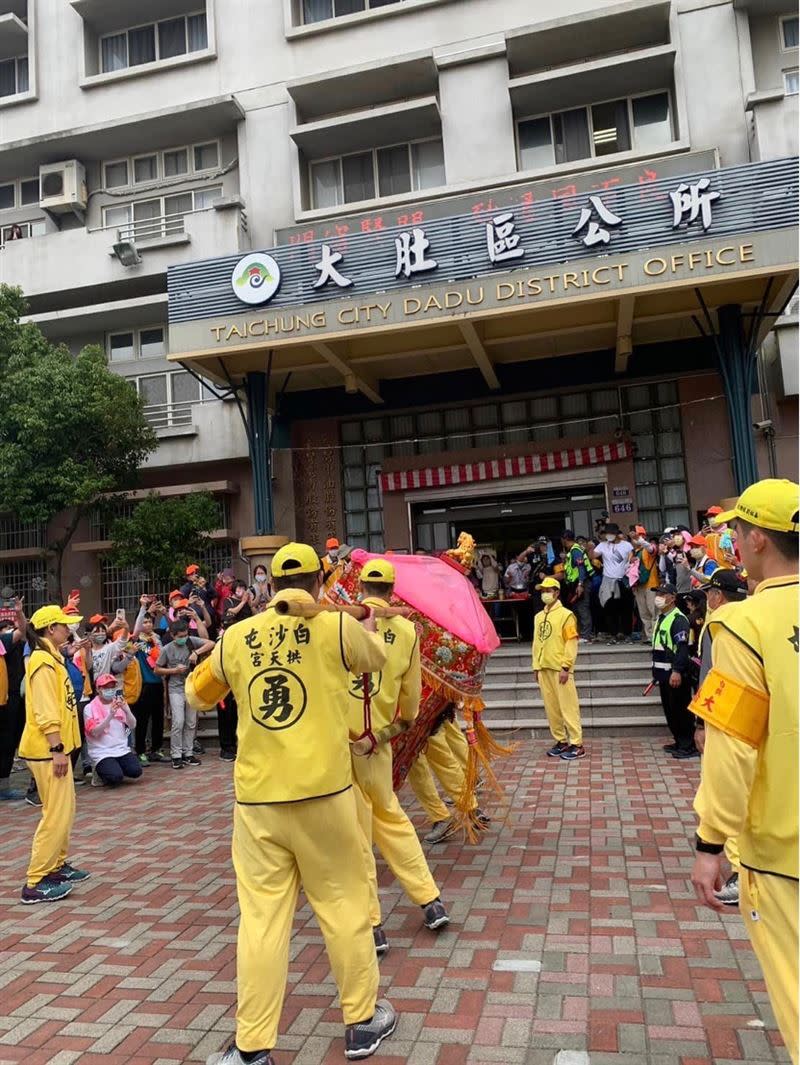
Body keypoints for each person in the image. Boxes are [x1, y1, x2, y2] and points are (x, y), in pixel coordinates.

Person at [186, 541, 396, 1064]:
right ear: (320, 582)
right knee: (344, 905)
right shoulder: (337, 626)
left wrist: (221, 657)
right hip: (326, 794)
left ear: (271, 586)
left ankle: (253, 1047)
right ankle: (362, 1023)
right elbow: (376, 658)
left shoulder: (237, 636)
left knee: (260, 921)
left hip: (258, 804)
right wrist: (348, 615)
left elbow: (196, 695)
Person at [691, 480, 798, 1064]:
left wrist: (711, 843)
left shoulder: (740, 625)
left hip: (782, 854)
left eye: (735, 531)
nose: (730, 540)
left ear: (758, 540)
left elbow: (731, 749)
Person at [350, 559, 449, 953]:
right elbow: (409, 709)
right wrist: (385, 733)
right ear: (393, 592)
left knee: (355, 832)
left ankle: (372, 924)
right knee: (390, 818)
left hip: (337, 748)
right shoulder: (408, 630)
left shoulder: (337, 623)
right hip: (377, 741)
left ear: (359, 586)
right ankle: (430, 899)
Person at [18, 606, 90, 904]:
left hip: (56, 749)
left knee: (65, 811)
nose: (68, 630)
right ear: (50, 630)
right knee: (55, 815)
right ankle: (36, 880)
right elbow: (45, 709)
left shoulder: (52, 658)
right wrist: (57, 748)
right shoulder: (42, 662)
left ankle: (56, 865)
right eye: (64, 625)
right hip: (48, 751)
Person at [692, 568, 749, 908]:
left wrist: (701, 721)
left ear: (718, 595)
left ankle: (740, 869)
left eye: (711, 592)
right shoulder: (744, 617)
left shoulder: (724, 623)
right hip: (736, 714)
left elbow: (714, 675)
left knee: (728, 784)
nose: (708, 598)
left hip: (725, 716)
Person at [532, 576, 584, 760]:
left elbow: (571, 643)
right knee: (552, 707)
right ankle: (561, 740)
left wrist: (565, 666)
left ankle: (576, 743)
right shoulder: (538, 617)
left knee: (568, 706)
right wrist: (535, 666)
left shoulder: (566, 615)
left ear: (556, 592)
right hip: (544, 667)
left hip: (559, 669)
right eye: (543, 591)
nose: (545, 594)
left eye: (548, 590)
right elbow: (537, 643)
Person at [154, 618, 214, 770]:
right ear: (173, 636)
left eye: (185, 635)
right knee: (178, 721)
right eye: (180, 636)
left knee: (191, 722)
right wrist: (174, 670)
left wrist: (196, 652)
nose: (183, 638)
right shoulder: (167, 649)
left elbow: (211, 643)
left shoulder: (191, 642)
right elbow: (157, 669)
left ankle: (188, 753)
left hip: (192, 687)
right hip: (176, 688)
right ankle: (176, 755)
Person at [651, 582, 697, 759]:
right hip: (663, 674)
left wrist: (677, 670)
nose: (659, 597)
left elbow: (682, 648)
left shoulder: (678, 619)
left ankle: (688, 744)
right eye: (658, 593)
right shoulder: (662, 617)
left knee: (680, 710)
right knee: (670, 711)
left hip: (674, 674)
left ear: (672, 597)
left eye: (663, 593)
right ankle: (679, 740)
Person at [84, 673, 142, 787]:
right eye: (106, 687)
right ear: (98, 689)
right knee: (115, 778)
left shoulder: (119, 703)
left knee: (136, 771)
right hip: (102, 752)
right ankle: (99, 772)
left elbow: (132, 725)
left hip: (120, 749)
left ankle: (116, 767)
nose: (109, 690)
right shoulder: (90, 708)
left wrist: (127, 710)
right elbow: (94, 732)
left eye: (112, 687)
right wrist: (110, 715)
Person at [131, 600, 167, 764]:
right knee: (142, 719)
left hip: (158, 682)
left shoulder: (157, 638)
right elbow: (137, 627)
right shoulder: (136, 639)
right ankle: (140, 751)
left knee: (158, 718)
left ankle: (156, 749)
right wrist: (143, 608)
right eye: (144, 621)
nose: (147, 624)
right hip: (143, 683)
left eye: (149, 621)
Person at [0, 599, 27, 800]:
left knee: (8, 742)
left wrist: (19, 613)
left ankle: (3, 787)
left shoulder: (5, 642)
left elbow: (22, 631)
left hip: (10, 700)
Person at [590, 523, 633, 641]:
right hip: (608, 580)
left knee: (626, 608)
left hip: (623, 580)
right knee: (609, 608)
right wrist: (590, 548)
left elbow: (631, 558)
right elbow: (593, 555)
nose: (609, 536)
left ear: (616, 534)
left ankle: (626, 633)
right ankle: (613, 633)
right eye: (607, 533)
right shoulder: (602, 545)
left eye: (611, 533)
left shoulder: (627, 545)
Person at [561, 530, 592, 642]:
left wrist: (580, 584)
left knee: (582, 609)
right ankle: (580, 634)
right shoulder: (572, 551)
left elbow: (581, 567)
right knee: (577, 609)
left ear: (564, 539)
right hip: (575, 584)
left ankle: (586, 636)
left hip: (581, 583)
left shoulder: (575, 550)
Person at [630, 527, 659, 640]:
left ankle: (656, 636)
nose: (634, 540)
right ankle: (649, 636)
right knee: (643, 613)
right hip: (639, 586)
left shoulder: (649, 548)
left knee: (653, 611)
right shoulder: (634, 552)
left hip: (651, 584)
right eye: (633, 538)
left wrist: (640, 539)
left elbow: (650, 548)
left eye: (636, 537)